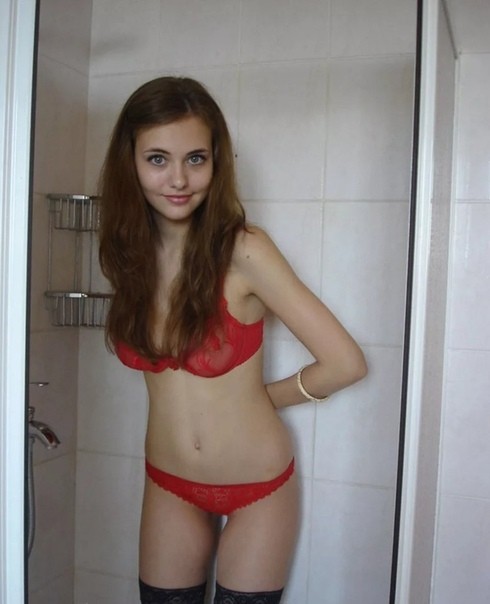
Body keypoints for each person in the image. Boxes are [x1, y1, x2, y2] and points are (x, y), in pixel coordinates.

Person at [98, 76, 367, 604]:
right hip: (168, 482)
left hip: (257, 489)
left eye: (196, 159)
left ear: (217, 162)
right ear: (129, 162)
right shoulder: (128, 256)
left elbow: (345, 363)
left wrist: (260, 399)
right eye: (158, 159)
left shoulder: (244, 251)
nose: (179, 178)